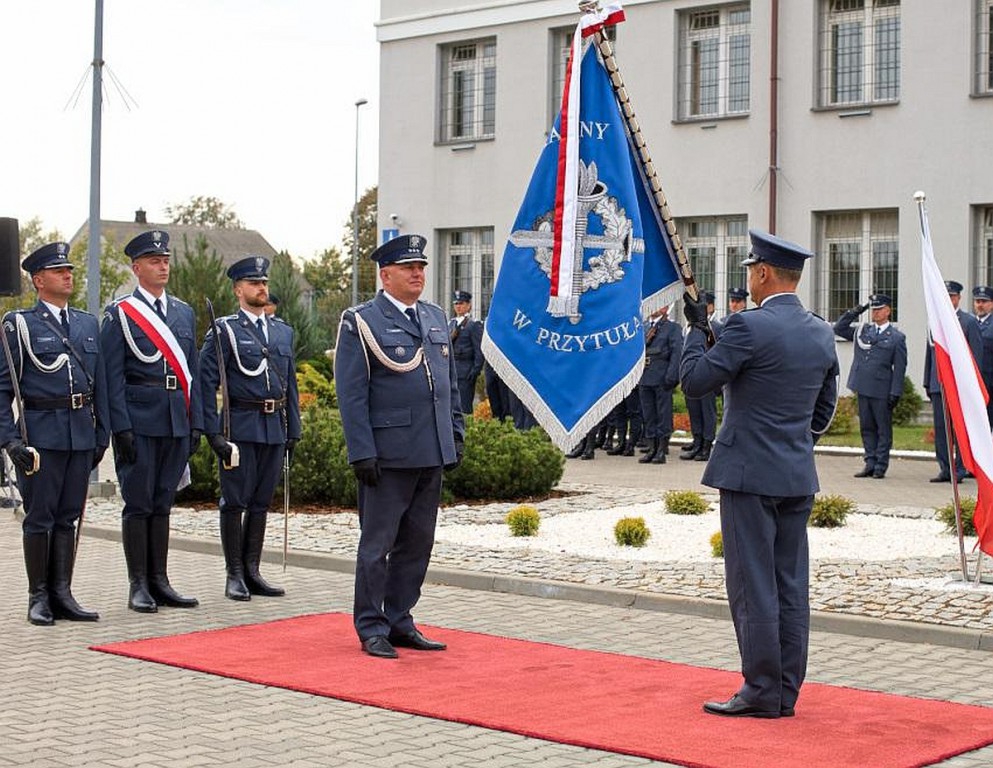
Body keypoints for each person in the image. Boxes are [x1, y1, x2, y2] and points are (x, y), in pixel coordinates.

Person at [680, 229, 838, 719]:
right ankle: (786, 690)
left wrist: (694, 332)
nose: (749, 276)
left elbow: (696, 382)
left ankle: (760, 689)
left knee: (753, 585)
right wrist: (793, 445)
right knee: (790, 584)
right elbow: (824, 406)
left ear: (764, 273)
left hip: (749, 475)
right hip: (795, 473)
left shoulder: (748, 327)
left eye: (751, 269)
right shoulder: (819, 329)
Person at [334, 234, 465, 659]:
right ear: (385, 274)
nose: (417, 274)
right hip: (388, 454)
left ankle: (399, 618)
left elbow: (450, 384)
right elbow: (351, 394)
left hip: (431, 449)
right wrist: (361, 451)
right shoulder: (362, 321)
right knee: (377, 546)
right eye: (408, 267)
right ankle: (371, 625)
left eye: (421, 267)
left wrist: (455, 433)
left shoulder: (434, 316)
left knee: (417, 543)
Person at [0, 243, 110, 625]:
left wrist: (102, 433)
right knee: (40, 517)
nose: (68, 276)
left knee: (68, 517)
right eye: (59, 271)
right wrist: (10, 441)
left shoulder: (86, 324)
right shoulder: (20, 325)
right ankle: (38, 597)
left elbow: (102, 386)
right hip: (41, 437)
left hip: (80, 433)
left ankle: (62, 592)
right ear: (39, 280)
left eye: (70, 270)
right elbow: (3, 388)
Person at [101, 230, 201, 613]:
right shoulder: (120, 314)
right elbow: (112, 376)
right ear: (136, 267)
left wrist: (195, 422)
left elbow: (191, 371)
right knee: (139, 504)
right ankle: (138, 584)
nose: (163, 266)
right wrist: (120, 427)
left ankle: (160, 581)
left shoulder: (182, 312)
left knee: (163, 504)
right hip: (139, 418)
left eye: (166, 260)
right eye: (154, 261)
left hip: (175, 418)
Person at [199, 256, 301, 601]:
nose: (262, 288)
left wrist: (293, 431)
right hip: (240, 427)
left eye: (264, 283)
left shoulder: (282, 331)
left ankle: (253, 569)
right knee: (235, 501)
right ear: (237, 289)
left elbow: (290, 385)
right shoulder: (224, 330)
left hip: (273, 426)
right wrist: (213, 434)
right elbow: (205, 382)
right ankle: (234, 574)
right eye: (254, 283)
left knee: (260, 503)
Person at [832, 294, 907, 479]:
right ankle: (870, 462)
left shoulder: (896, 337)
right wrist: (859, 309)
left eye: (879, 309)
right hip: (863, 386)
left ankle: (881, 465)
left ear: (888, 311)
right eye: (873, 309)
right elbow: (839, 328)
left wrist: (895, 392)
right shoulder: (863, 331)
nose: (875, 312)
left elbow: (899, 367)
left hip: (882, 389)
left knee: (883, 429)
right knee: (866, 427)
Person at [923, 280, 982, 483]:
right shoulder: (935, 321)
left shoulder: (968, 322)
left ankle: (960, 469)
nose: (949, 299)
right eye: (945, 296)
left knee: (959, 429)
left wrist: (972, 387)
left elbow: (976, 357)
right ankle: (945, 468)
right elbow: (930, 355)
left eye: (952, 296)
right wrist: (927, 383)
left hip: (959, 387)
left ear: (958, 298)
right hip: (938, 384)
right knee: (942, 430)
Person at [638, 304, 681, 464]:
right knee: (648, 415)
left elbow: (676, 353)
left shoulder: (672, 328)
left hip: (662, 378)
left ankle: (661, 449)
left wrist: (671, 377)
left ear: (665, 308)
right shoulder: (643, 327)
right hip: (645, 377)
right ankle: (651, 448)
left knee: (663, 414)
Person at [681, 291, 718, 462]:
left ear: (709, 306)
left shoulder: (715, 326)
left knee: (707, 412)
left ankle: (706, 445)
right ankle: (697, 442)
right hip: (691, 376)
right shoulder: (687, 328)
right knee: (694, 411)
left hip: (707, 377)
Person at [449, 290, 484, 417]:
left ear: (469, 305)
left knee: (464, 408)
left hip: (466, 372)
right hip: (452, 371)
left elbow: (479, 351)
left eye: (461, 303)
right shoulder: (451, 323)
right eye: (456, 303)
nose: (458, 306)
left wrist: (475, 371)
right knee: (451, 406)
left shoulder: (473, 324)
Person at [973, 286, 993, 426]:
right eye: (977, 301)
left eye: (984, 301)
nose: (980, 305)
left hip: (989, 382)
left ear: (991, 304)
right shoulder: (967, 322)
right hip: (971, 381)